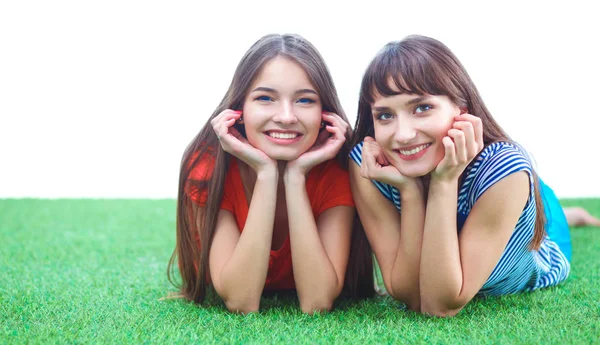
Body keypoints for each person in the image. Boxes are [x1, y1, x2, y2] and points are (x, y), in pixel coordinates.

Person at [348, 34, 597, 317]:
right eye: (384, 116)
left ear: (461, 112)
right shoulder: (370, 165)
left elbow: (439, 305)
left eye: (422, 108)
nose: (403, 135)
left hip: (530, 222)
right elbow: (411, 293)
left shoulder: (505, 171)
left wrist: (444, 181)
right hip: (486, 200)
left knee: (545, 210)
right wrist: (411, 193)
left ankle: (566, 214)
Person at [168, 33, 373, 314]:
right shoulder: (209, 167)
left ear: (324, 113)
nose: (286, 117)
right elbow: (241, 301)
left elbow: (317, 301)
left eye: (304, 101)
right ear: (239, 108)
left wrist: (296, 177)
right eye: (265, 98)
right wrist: (265, 173)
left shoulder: (337, 170)